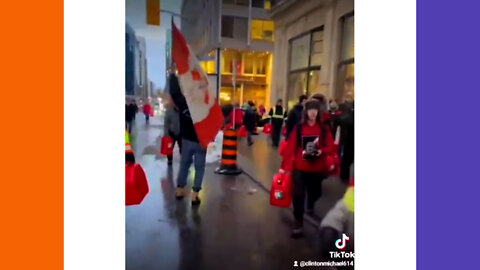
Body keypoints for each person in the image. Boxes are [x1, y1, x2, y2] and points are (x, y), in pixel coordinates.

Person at [279, 99, 335, 237]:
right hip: (300, 167)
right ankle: (298, 222)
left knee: (315, 193)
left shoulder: (323, 129)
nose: (313, 113)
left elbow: (331, 146)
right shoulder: (299, 128)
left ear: (318, 112)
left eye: (315, 110)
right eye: (310, 110)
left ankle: (310, 203)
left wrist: (322, 151)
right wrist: (283, 167)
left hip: (317, 169)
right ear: (306, 112)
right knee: (298, 195)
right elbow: (290, 147)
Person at [168, 73, 206, 205]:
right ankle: (195, 195)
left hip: (187, 141)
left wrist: (173, 76)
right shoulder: (204, 106)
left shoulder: (184, 103)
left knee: (184, 165)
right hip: (201, 141)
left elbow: (175, 92)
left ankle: (180, 189)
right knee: (199, 167)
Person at [164, 96, 182, 166]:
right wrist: (166, 134)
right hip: (171, 134)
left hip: (181, 133)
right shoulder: (169, 112)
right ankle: (169, 160)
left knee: (182, 148)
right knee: (169, 148)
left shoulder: (182, 111)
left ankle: (183, 160)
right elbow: (166, 124)